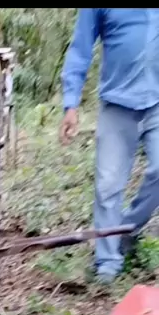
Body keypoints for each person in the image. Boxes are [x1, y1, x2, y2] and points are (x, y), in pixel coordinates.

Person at [60, 9, 159, 284]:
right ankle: (107, 262)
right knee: (108, 186)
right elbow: (80, 49)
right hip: (117, 105)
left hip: (157, 102)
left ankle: (126, 229)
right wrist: (71, 104)